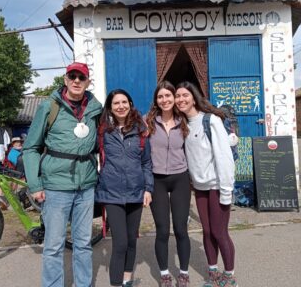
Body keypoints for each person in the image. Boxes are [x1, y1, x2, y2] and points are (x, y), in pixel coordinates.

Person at [22, 62, 102, 287]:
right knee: (54, 245)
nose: (77, 81)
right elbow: (30, 148)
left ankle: (83, 284)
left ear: (88, 82)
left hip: (86, 187)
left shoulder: (95, 109)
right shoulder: (49, 106)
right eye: (72, 76)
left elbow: (102, 143)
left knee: (84, 244)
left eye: (81, 77)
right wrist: (35, 185)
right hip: (56, 187)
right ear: (65, 80)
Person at [175, 81, 237, 287]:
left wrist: (227, 191)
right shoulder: (182, 124)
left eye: (185, 95)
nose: (181, 99)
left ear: (194, 97)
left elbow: (224, 156)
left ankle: (229, 277)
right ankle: (213, 274)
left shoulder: (209, 121)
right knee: (208, 232)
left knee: (220, 232)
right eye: (178, 96)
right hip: (200, 188)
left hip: (217, 186)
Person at [95, 89, 153, 287]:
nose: (121, 106)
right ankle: (116, 284)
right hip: (112, 193)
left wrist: (148, 189)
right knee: (120, 243)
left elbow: (146, 163)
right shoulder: (103, 131)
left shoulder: (141, 130)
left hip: (136, 192)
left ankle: (127, 279)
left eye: (124, 102)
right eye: (116, 103)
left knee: (131, 241)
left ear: (130, 104)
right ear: (110, 107)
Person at [145, 81, 191, 287]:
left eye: (168, 96)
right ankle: (164, 274)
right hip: (157, 180)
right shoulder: (148, 123)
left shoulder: (184, 122)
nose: (165, 100)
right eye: (160, 96)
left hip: (180, 178)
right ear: (156, 100)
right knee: (162, 230)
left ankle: (183, 273)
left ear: (174, 98)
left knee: (181, 229)